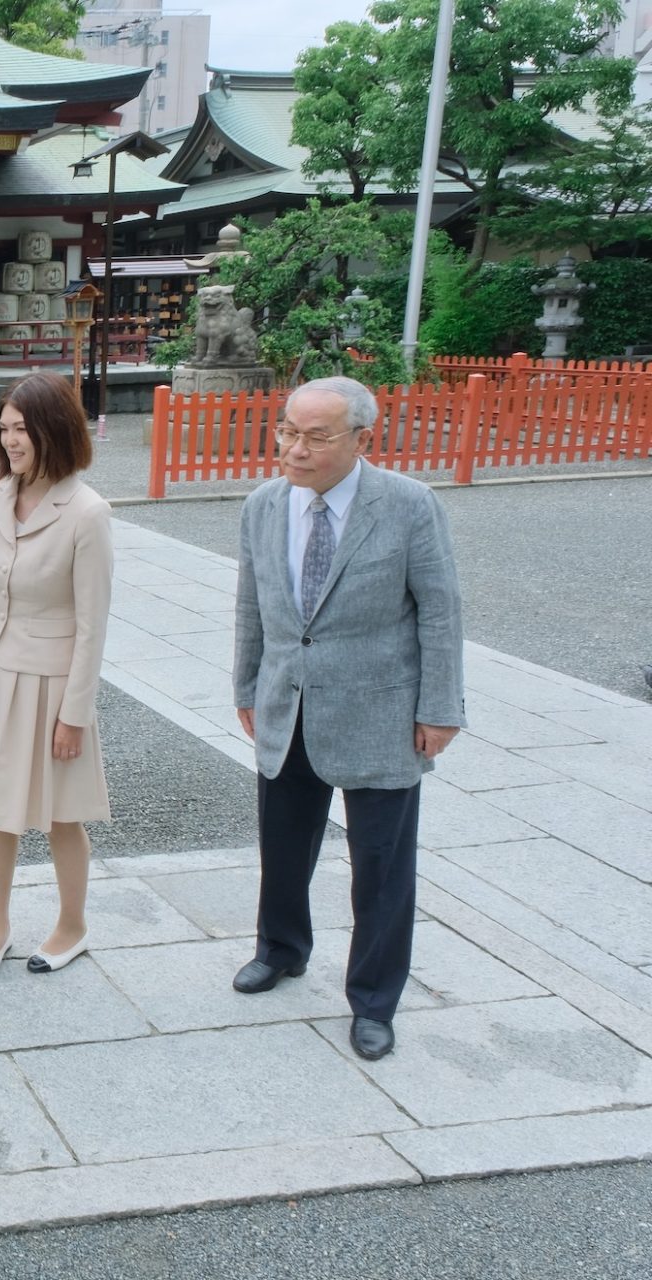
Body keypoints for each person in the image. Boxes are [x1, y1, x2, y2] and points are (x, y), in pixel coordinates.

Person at [231, 375, 465, 1061]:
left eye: (315, 437)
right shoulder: (264, 506)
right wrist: (247, 684)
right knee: (283, 844)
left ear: (364, 438)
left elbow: (442, 609)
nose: (294, 449)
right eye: (287, 431)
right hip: (288, 701)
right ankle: (280, 948)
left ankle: (373, 1000)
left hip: (381, 710)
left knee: (382, 866)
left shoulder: (408, 506)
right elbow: (252, 603)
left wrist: (441, 707)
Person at [0, 373, 113, 979]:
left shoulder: (88, 513)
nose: (11, 440)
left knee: (62, 810)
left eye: (23, 429)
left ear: (54, 430)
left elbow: (93, 624)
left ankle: (72, 924)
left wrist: (76, 713)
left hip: (49, 678)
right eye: (6, 428)